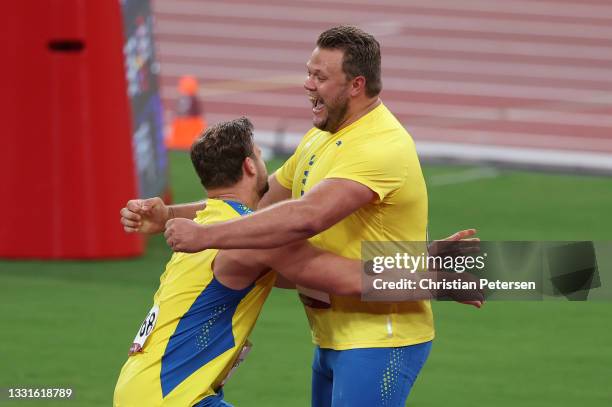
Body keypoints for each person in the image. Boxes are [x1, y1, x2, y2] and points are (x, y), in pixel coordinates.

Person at [121, 26, 479, 406]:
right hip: (332, 335)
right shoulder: (320, 137)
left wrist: (433, 275)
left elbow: (306, 219)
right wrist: (172, 216)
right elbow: (257, 206)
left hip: (379, 337)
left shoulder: (381, 147)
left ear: (356, 85)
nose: (307, 84)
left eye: (320, 77)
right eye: (309, 72)